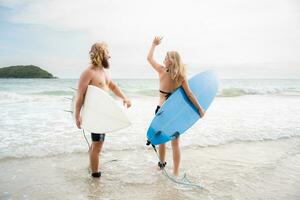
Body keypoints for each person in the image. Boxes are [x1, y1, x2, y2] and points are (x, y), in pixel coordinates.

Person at [147, 36, 205, 176]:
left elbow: (149, 58)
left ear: (171, 60)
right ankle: (175, 171)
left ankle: (163, 166)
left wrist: (154, 45)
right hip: (173, 113)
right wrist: (199, 108)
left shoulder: (162, 71)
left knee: (163, 141)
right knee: (174, 143)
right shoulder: (181, 76)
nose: (163, 60)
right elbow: (190, 95)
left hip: (162, 111)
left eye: (166, 58)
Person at [75, 42, 132, 178]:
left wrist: (124, 98)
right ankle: (95, 175)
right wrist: (77, 115)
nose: (110, 56)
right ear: (101, 53)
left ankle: (91, 167)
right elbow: (80, 94)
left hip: (102, 113)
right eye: (107, 52)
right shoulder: (89, 72)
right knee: (98, 145)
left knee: (96, 144)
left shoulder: (104, 72)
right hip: (95, 114)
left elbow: (112, 86)